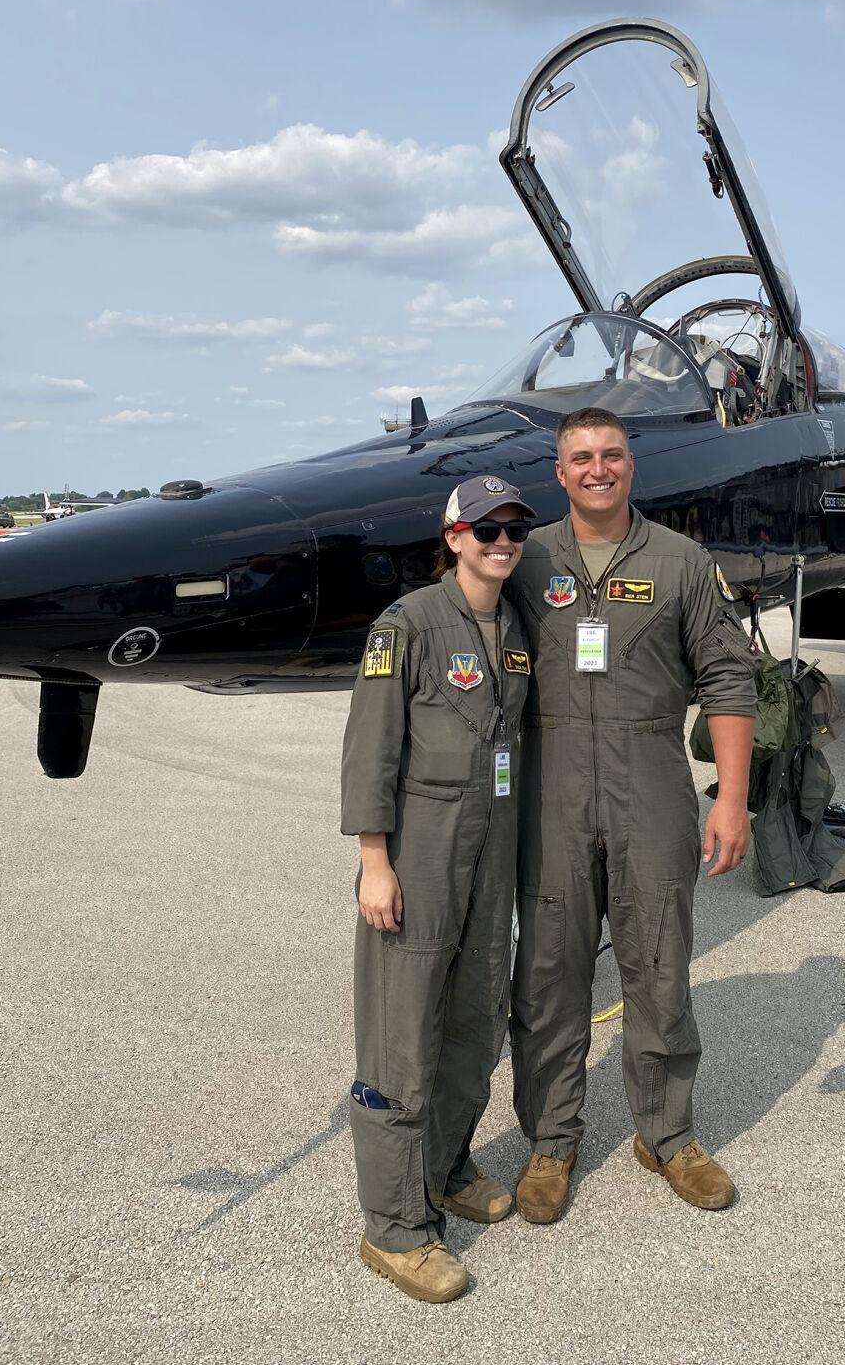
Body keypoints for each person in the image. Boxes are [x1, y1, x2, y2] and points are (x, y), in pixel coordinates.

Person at [507, 407, 757, 1224]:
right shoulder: (523, 558)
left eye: (611, 454)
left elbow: (727, 679)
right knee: (550, 969)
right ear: (559, 471)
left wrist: (732, 799)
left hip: (651, 777)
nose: (597, 469)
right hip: (549, 783)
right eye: (581, 457)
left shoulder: (683, 563)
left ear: (632, 466)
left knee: (658, 960)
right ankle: (550, 1140)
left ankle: (666, 1132)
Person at [341, 474, 536, 1303]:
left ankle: (447, 1165)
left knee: (473, 1017)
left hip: (489, 850)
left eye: (514, 530)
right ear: (453, 536)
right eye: (485, 528)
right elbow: (370, 751)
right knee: (402, 1036)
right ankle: (393, 1227)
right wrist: (374, 861)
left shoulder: (517, 626)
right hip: (420, 848)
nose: (501, 542)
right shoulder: (408, 626)